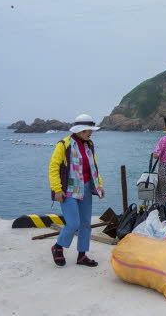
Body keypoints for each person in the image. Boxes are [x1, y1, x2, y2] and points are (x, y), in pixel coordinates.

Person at [49, 114, 105, 267]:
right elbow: (53, 168)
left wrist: (99, 185)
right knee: (73, 223)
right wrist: (57, 189)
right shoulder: (64, 145)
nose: (91, 133)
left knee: (86, 223)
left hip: (86, 187)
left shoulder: (89, 144)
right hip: (68, 189)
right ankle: (58, 247)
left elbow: (94, 166)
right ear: (80, 130)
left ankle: (82, 255)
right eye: (88, 130)